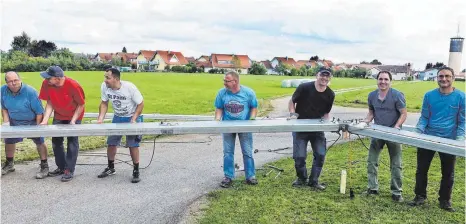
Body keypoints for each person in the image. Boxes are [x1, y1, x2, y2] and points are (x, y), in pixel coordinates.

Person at [408, 67, 465, 212]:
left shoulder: (461, 97)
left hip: (449, 139)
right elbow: (425, 117)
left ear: (453, 78)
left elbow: (463, 121)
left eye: (447, 76)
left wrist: (460, 138)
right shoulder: (429, 95)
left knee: (448, 172)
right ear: (437, 78)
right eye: (441, 76)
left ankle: (445, 200)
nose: (444, 79)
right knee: (421, 170)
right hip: (428, 137)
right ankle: (420, 196)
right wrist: (417, 132)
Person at [357, 71, 407, 202]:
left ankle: (396, 192)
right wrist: (364, 122)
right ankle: (372, 188)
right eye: (380, 79)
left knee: (396, 163)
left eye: (386, 79)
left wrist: (396, 127)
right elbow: (371, 113)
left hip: (393, 133)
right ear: (377, 80)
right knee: (372, 161)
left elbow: (403, 114)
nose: (383, 82)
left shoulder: (397, 95)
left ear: (390, 81)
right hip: (377, 132)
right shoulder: (372, 96)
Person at [288, 67, 335, 190]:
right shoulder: (304, 88)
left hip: (317, 128)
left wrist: (327, 124)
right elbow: (292, 101)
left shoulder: (330, 94)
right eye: (322, 75)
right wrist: (293, 115)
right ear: (317, 75)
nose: (324, 78)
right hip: (300, 127)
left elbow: (326, 113)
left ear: (330, 78)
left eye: (327, 76)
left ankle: (314, 181)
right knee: (299, 156)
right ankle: (301, 179)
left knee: (320, 154)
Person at [96, 68, 144, 183]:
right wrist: (100, 119)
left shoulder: (129, 88)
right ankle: (111, 167)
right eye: (105, 77)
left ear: (116, 79)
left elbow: (141, 104)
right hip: (118, 117)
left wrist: (133, 119)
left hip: (132, 116)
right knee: (111, 142)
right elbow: (104, 103)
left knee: (133, 144)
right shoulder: (104, 86)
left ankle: (136, 170)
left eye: (108, 78)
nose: (105, 80)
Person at [39, 66, 85, 182]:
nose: (46, 79)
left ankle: (69, 170)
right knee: (56, 142)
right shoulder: (47, 83)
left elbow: (81, 104)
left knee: (72, 142)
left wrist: (73, 121)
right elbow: (49, 102)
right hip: (59, 115)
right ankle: (61, 167)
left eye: (49, 78)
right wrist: (45, 120)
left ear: (58, 78)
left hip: (74, 115)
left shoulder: (73, 85)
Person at [1, 71, 49, 179]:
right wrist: (6, 123)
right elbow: (4, 108)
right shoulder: (2, 90)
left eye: (15, 80)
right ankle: (9, 164)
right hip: (14, 121)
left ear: (20, 79)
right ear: (6, 82)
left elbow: (39, 112)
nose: (13, 83)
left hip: (32, 121)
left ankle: (44, 165)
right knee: (8, 141)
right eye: (10, 81)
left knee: (40, 141)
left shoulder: (30, 91)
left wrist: (37, 128)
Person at [214, 71, 258, 188]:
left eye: (227, 81)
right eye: (224, 80)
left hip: (245, 126)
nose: (224, 83)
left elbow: (254, 107)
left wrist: (252, 119)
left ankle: (250, 176)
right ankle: (228, 176)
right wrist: (217, 121)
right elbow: (219, 109)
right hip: (227, 126)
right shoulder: (221, 93)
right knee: (228, 152)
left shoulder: (248, 92)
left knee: (247, 152)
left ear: (235, 81)